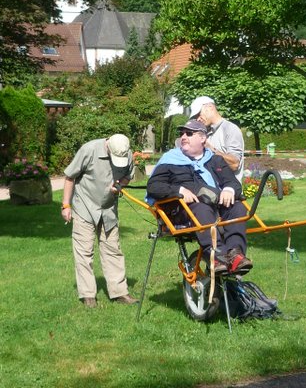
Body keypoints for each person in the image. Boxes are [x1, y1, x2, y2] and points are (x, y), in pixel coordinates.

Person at [147, 120, 252, 274]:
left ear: (203, 138)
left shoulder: (215, 160)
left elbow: (233, 183)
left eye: (189, 133)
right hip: (184, 211)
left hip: (215, 206)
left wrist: (229, 189)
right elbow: (153, 187)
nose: (183, 137)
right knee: (201, 207)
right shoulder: (170, 160)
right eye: (182, 133)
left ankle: (236, 255)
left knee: (237, 206)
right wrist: (179, 190)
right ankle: (218, 256)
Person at [61, 134, 138, 308]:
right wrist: (66, 205)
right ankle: (88, 295)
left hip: (109, 210)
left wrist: (119, 185)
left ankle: (119, 293)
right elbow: (69, 177)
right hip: (85, 208)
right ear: (108, 146)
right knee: (84, 252)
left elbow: (127, 176)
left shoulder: (127, 153)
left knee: (113, 250)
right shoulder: (89, 150)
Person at [189, 96, 245, 181]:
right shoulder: (205, 132)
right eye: (195, 117)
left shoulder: (230, 129)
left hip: (229, 192)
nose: (198, 119)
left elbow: (234, 164)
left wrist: (210, 150)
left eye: (198, 114)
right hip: (209, 191)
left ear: (210, 107)